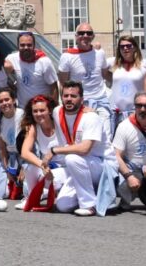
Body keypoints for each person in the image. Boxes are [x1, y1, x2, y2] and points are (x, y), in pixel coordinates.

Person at [47, 81, 117, 216]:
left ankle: (90, 205)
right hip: (79, 166)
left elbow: (85, 149)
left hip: (101, 166)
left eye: (73, 96)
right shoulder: (57, 112)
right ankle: (95, 193)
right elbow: (40, 113)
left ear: (82, 99)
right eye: (66, 96)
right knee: (62, 206)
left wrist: (54, 151)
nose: (69, 99)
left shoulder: (91, 117)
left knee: (72, 158)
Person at [57, 23, 112, 136]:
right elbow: (63, 83)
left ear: (93, 36)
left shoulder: (100, 54)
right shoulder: (67, 56)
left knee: (106, 136)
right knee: (84, 136)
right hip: (80, 104)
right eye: (81, 33)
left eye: (89, 33)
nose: (85, 35)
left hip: (100, 101)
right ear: (76, 36)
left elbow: (106, 74)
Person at [18, 94, 68, 212]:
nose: (38, 114)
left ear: (50, 110)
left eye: (42, 110)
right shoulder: (33, 127)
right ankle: (31, 198)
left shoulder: (60, 122)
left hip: (66, 168)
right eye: (35, 111)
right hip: (47, 167)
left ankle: (53, 192)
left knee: (63, 204)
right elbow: (25, 152)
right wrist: (42, 165)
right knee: (29, 167)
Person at [4, 32, 58, 108]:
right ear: (18, 46)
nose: (26, 47)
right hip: (23, 108)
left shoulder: (44, 62)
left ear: (34, 46)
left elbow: (54, 87)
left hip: (41, 109)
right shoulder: (11, 59)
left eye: (29, 45)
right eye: (22, 45)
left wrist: (53, 108)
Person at [0, 88, 23, 198]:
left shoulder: (23, 115)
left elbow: (31, 146)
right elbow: (2, 149)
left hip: (26, 156)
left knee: (28, 190)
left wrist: (24, 168)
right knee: (2, 194)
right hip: (11, 158)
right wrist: (8, 170)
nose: (4, 103)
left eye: (7, 99)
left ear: (14, 100)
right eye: (1, 101)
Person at [109, 34, 146, 126]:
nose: (125, 48)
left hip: (135, 112)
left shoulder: (144, 65)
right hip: (115, 113)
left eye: (129, 46)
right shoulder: (113, 63)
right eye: (122, 47)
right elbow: (100, 68)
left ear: (135, 48)